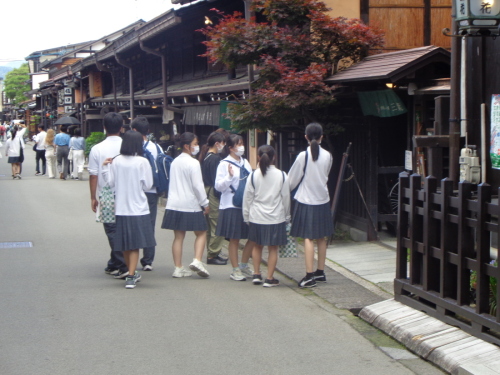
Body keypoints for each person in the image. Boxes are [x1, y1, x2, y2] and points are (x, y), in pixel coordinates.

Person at [102, 131, 155, 289]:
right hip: (139, 207)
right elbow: (148, 185)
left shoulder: (116, 161)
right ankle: (131, 276)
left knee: (125, 243)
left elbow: (110, 183)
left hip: (121, 208)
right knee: (135, 244)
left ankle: (131, 273)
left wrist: (105, 167)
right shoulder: (142, 162)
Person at [288, 123, 333, 288]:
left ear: (306, 137)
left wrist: (284, 192)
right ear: (322, 136)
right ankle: (320, 272)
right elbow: (326, 175)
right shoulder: (328, 155)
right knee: (321, 237)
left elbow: (292, 180)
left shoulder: (303, 156)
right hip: (323, 199)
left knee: (308, 237)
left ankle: (308, 275)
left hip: (306, 199)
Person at [161, 132, 210, 279]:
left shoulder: (175, 161)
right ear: (186, 146)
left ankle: (178, 268)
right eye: (195, 144)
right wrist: (205, 203)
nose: (197, 146)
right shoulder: (193, 163)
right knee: (201, 232)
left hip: (174, 203)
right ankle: (197, 260)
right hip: (190, 203)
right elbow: (198, 186)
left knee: (178, 237)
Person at [243, 145, 291, 287]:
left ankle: (257, 274)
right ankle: (270, 278)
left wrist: (246, 216)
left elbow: (247, 198)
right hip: (275, 217)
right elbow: (286, 198)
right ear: (274, 157)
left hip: (256, 216)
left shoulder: (253, 175)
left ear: (258, 157)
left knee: (257, 246)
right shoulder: (282, 175)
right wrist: (287, 216)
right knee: (273, 248)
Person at [88, 112, 129, 279]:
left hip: (106, 193)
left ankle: (122, 264)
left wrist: (93, 197)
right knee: (122, 227)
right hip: (127, 192)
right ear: (121, 127)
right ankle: (114, 262)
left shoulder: (97, 149)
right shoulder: (128, 145)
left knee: (111, 229)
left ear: (104, 128)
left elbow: (93, 175)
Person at [214, 134, 255, 281]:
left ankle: (244, 265)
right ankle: (235, 269)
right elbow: (218, 186)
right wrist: (229, 177)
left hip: (247, 205)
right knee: (234, 239)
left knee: (252, 237)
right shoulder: (224, 164)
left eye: (242, 143)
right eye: (238, 144)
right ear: (230, 148)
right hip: (230, 205)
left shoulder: (245, 162)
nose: (241, 147)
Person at [131, 116, 162, 271]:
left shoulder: (130, 147)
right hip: (152, 190)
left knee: (134, 223)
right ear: (148, 131)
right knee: (150, 224)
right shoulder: (156, 147)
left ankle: (131, 258)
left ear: (134, 130)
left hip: (135, 191)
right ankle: (148, 260)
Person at [199, 131, 228, 265]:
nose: (224, 145)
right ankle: (213, 253)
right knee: (217, 224)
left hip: (207, 191)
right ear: (217, 144)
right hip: (214, 193)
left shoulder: (206, 157)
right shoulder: (216, 159)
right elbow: (217, 180)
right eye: (223, 143)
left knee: (211, 226)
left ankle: (213, 252)